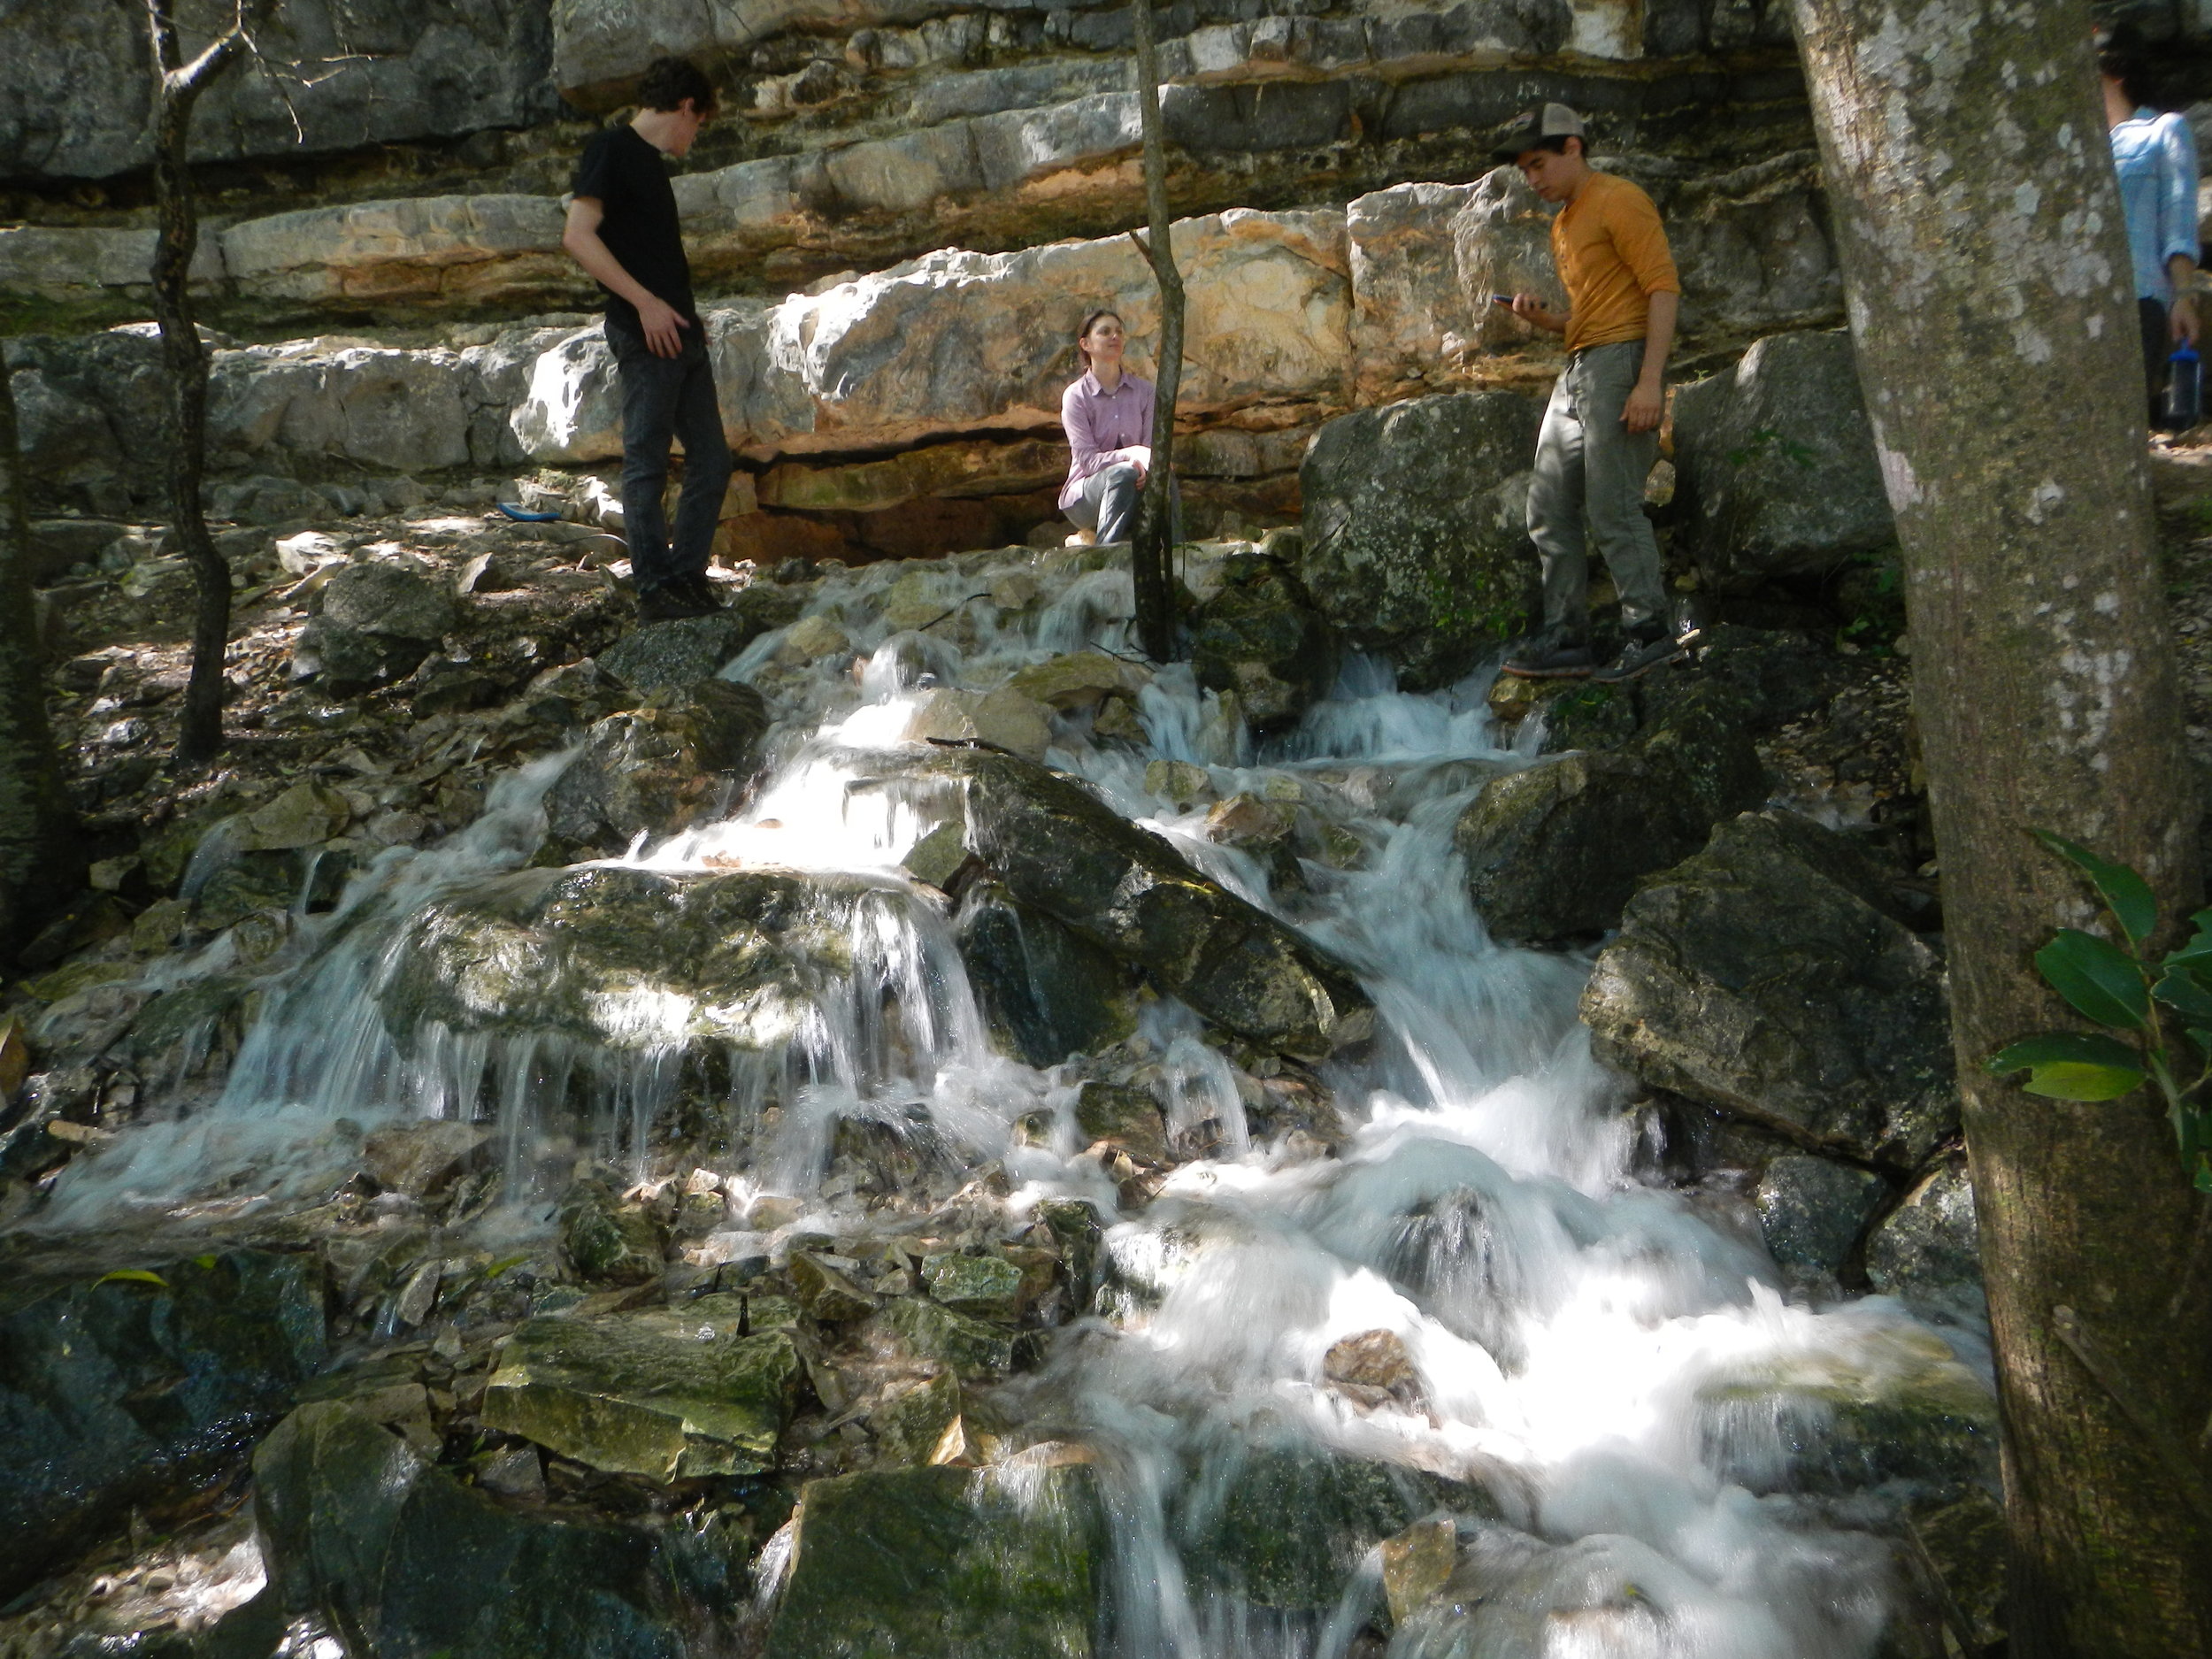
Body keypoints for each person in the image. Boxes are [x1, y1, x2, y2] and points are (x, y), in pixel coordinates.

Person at [1494, 104, 1686, 684]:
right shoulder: (1564, 222)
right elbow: (1588, 316)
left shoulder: (1620, 199)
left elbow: (1663, 288)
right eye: (1524, 170)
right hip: (1578, 366)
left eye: (1539, 164)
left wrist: (1649, 380)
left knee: (1611, 506)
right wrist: (1544, 321)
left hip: (1621, 363)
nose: (1532, 179)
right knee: (1548, 507)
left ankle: (1650, 633)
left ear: (1573, 147)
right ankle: (1567, 637)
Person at [561, 56, 733, 623]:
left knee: (711, 459)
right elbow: (577, 236)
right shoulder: (610, 149)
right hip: (646, 332)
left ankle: (686, 576)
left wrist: (683, 313)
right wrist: (646, 305)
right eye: (699, 123)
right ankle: (653, 587)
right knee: (647, 462)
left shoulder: (653, 165)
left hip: (681, 331)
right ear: (687, 106)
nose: (695, 136)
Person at [2098, 25, 2201, 426]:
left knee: (2118, 419)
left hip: (2139, 298)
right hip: (2076, 303)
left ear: (2116, 71)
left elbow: (2178, 221)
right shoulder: (2074, 147)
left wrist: (2184, 295)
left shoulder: (2162, 131)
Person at [1059, 310, 1156, 547]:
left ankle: (1176, 555)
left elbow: (1152, 449)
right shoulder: (1076, 396)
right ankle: (1105, 557)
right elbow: (1089, 462)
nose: (1115, 336)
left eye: (1119, 332)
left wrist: (1152, 467)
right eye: (1105, 332)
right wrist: (1131, 456)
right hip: (1085, 498)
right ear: (1086, 344)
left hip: (1137, 487)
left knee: (1165, 476)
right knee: (1123, 472)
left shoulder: (1145, 392)